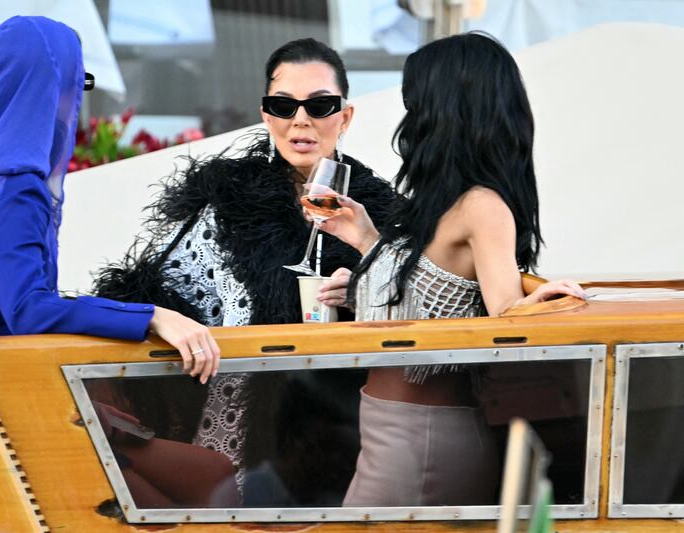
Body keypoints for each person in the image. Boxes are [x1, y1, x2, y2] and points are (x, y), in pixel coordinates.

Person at [95, 38, 400, 505]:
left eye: (320, 105)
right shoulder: (225, 203)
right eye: (284, 105)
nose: (301, 120)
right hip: (240, 434)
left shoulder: (384, 214)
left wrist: (367, 283)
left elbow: (428, 304)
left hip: (347, 434)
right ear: (266, 114)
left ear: (346, 115)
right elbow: (155, 292)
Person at [313, 32, 588, 506]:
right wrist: (364, 241)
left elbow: (503, 312)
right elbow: (429, 293)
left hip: (422, 437)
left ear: (447, 110)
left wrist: (541, 301)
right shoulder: (445, 202)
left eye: (415, 103)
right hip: (395, 428)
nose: (409, 118)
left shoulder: (483, 204)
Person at [0, 16, 218, 383]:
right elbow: (28, 309)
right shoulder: (17, 187)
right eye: (78, 84)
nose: (75, 100)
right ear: (48, 89)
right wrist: (152, 315)